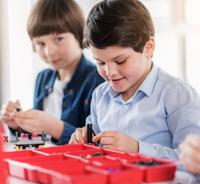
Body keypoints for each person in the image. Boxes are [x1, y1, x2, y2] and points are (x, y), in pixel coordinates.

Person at [69, 0, 200, 160]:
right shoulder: (100, 95)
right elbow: (93, 146)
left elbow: (190, 162)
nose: (110, 72)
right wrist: (82, 139)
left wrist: (138, 148)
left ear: (148, 48)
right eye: (100, 62)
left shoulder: (177, 95)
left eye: (120, 61)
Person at [0, 0, 104, 145]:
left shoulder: (98, 80)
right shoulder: (42, 78)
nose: (49, 52)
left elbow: (96, 144)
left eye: (59, 39)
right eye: (41, 44)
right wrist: (18, 125)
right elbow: (39, 141)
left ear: (79, 35)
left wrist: (56, 128)